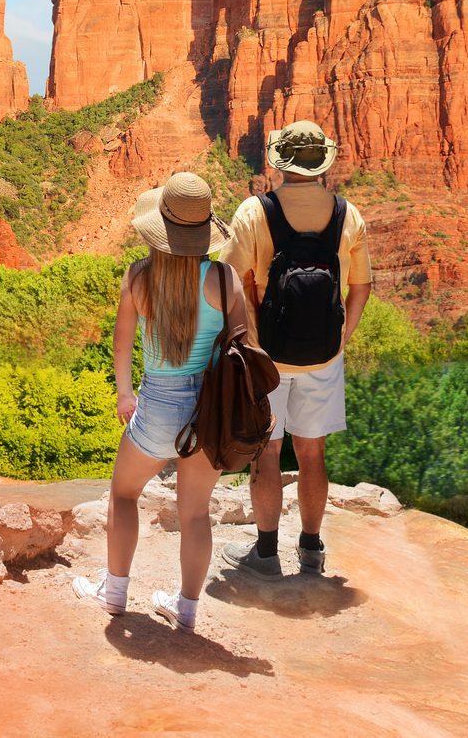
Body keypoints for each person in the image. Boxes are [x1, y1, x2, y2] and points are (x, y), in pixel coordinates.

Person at [72, 172, 250, 632]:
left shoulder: (138, 277)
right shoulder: (224, 278)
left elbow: (121, 345)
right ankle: (186, 609)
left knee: (124, 493)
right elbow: (247, 347)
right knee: (194, 514)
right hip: (209, 410)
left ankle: (113, 593)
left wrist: (125, 393)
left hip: (157, 404)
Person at [220, 121, 371, 579]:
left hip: (265, 357)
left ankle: (265, 555)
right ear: (321, 163)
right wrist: (339, 340)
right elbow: (361, 289)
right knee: (312, 454)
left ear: (280, 162)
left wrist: (244, 342)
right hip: (323, 355)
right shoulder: (349, 214)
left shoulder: (253, 211)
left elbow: (228, 280)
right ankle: (311, 551)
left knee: (267, 452)